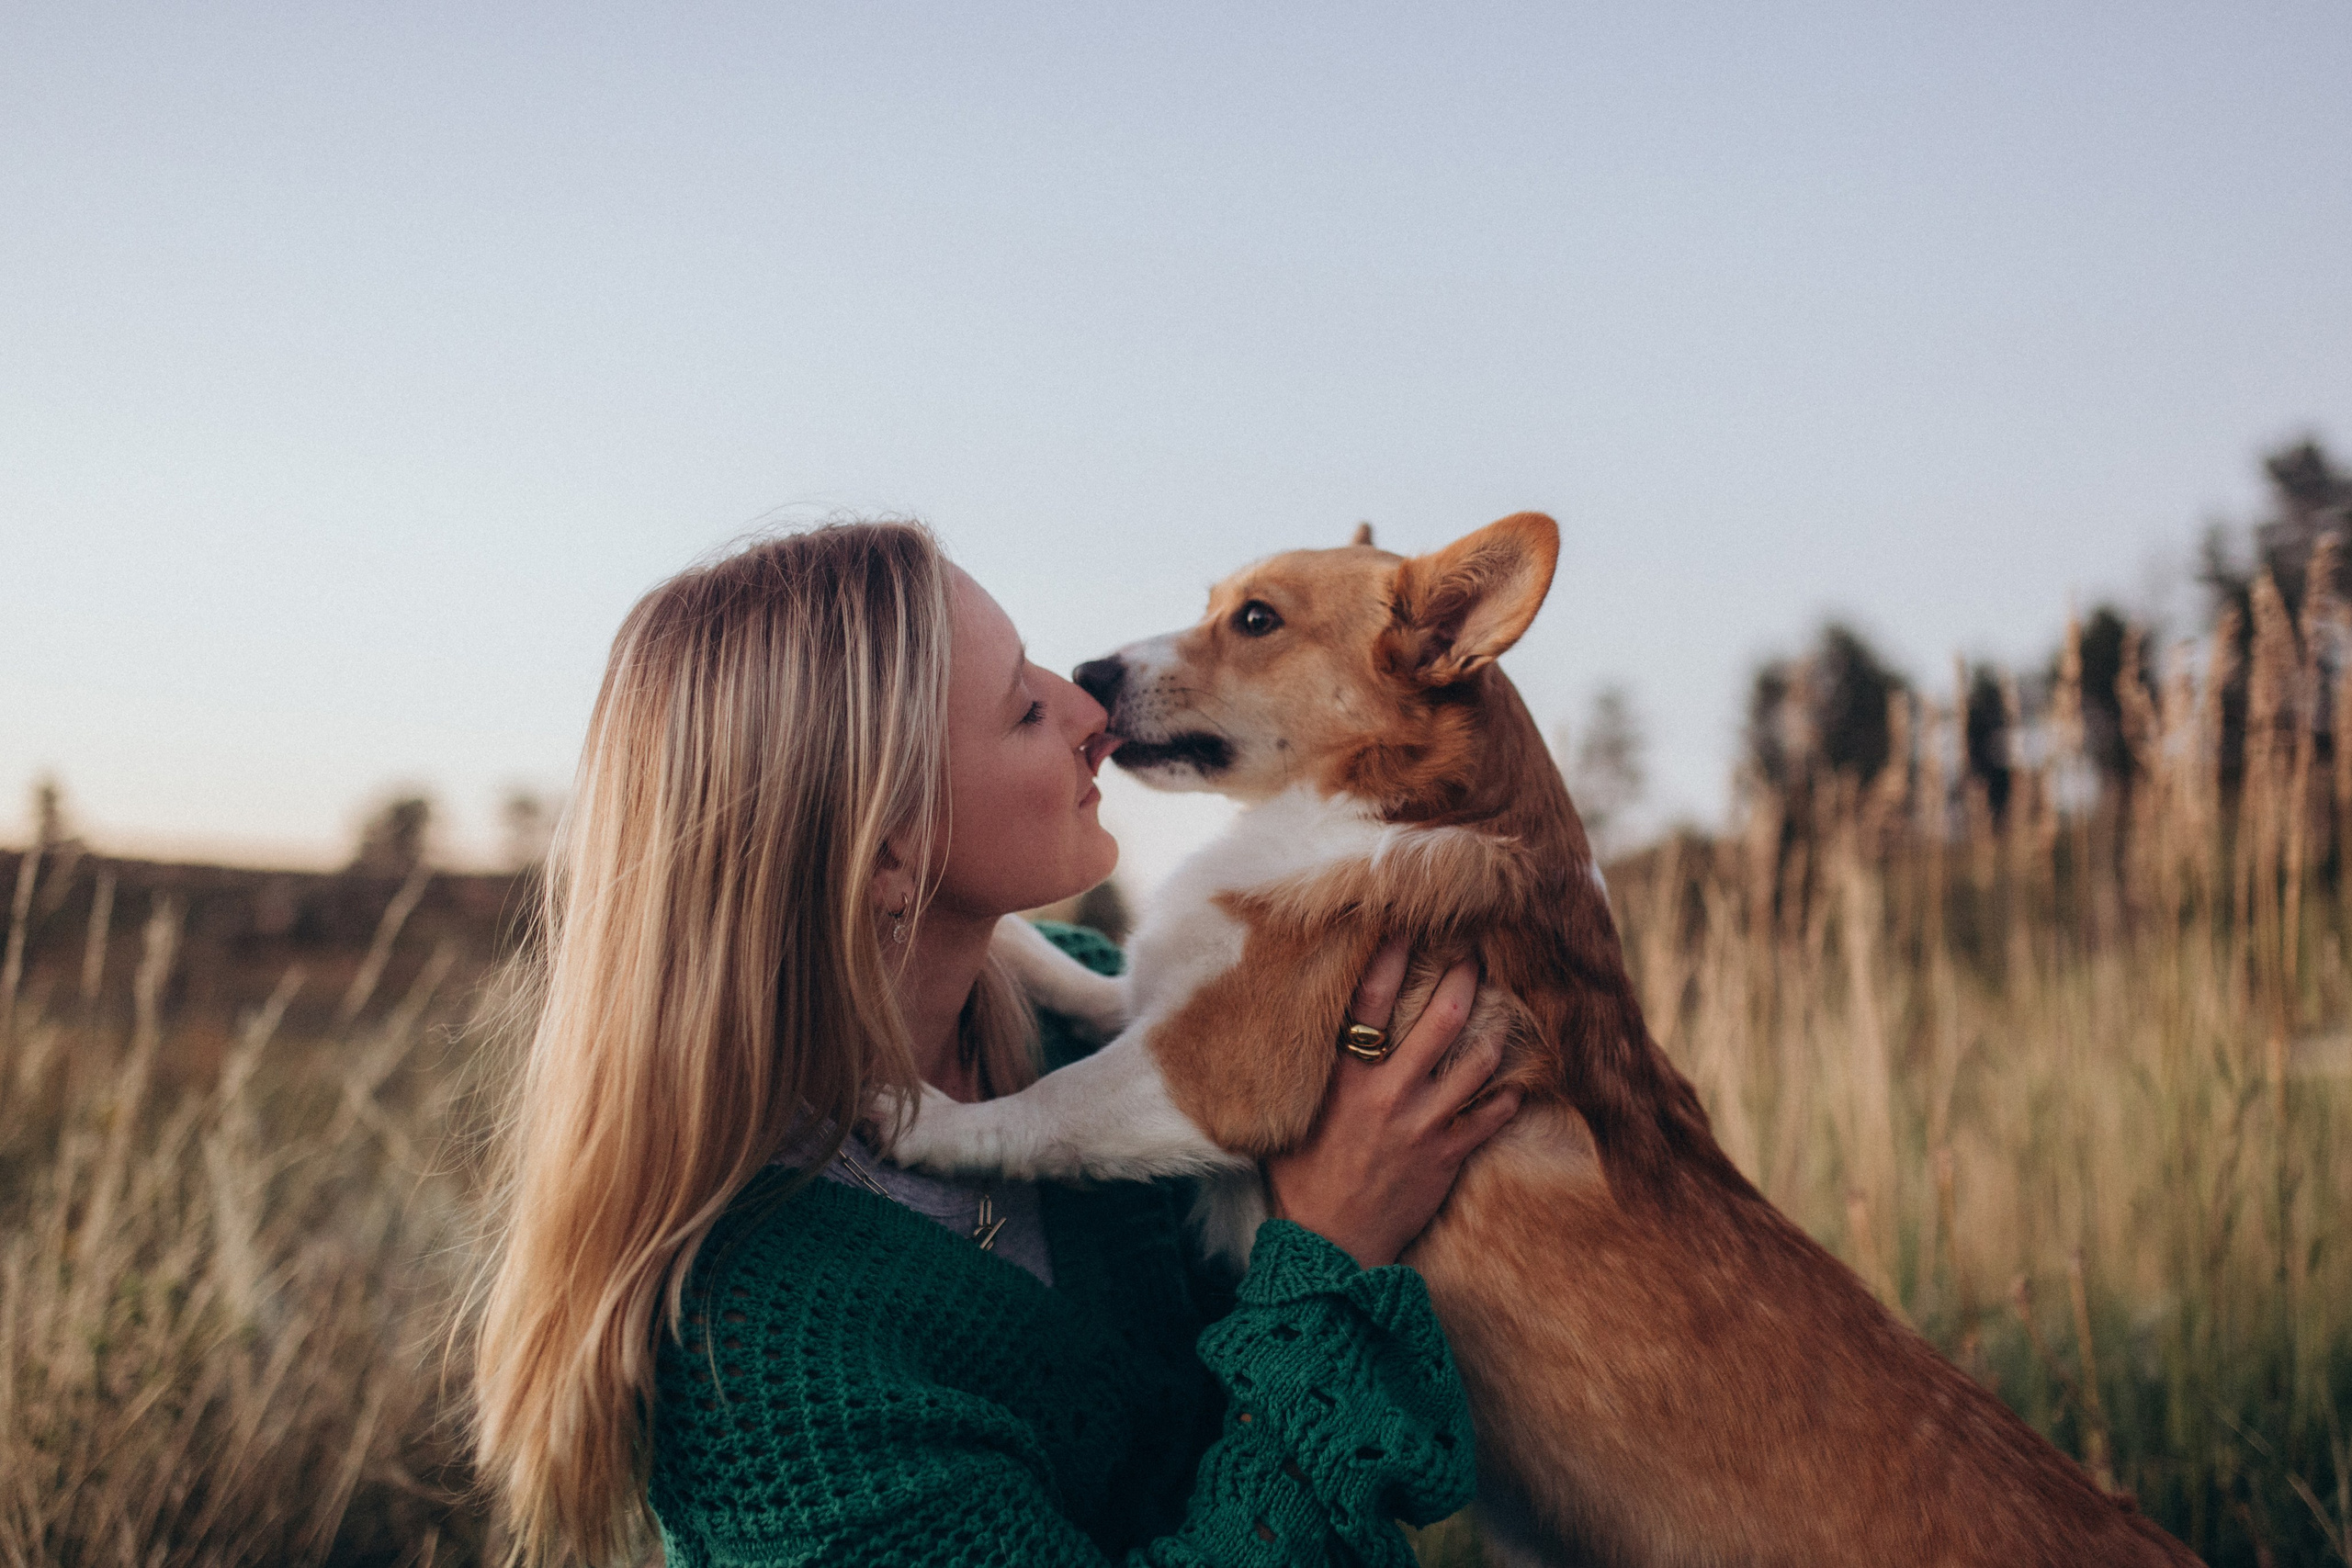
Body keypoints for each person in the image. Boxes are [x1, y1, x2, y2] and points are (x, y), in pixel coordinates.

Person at [471, 523, 1524, 1566]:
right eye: (1024, 708)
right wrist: (1333, 1258)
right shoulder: (761, 1351)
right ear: (883, 851)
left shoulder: (1083, 1026)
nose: (1088, 711)